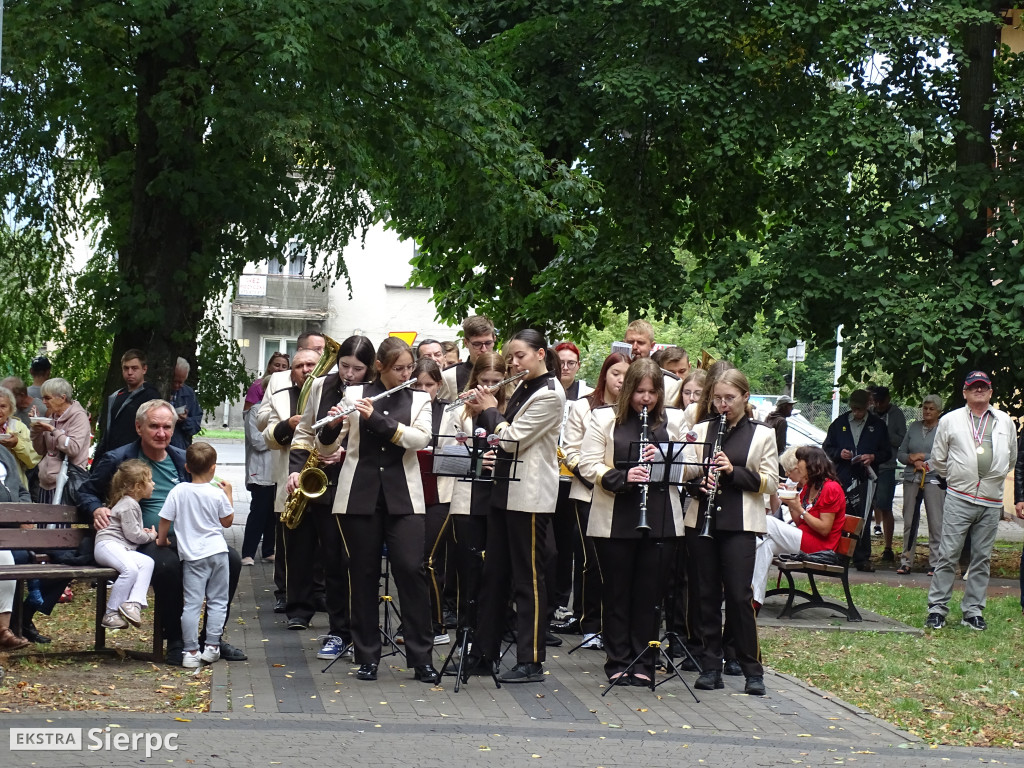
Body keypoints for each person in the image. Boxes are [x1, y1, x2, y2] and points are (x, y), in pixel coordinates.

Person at [79, 399, 245, 665]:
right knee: (167, 565)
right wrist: (96, 508)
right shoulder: (119, 459)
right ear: (138, 427)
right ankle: (178, 641)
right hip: (141, 539)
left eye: (167, 427)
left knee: (232, 560)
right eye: (154, 426)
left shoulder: (182, 458)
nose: (161, 433)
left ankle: (211, 639)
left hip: (190, 536)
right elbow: (85, 490)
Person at [316, 337, 440, 684]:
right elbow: (327, 445)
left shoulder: (418, 399)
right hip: (359, 495)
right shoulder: (355, 395)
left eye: (409, 368)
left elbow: (420, 440)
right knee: (363, 573)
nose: (406, 374)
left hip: (405, 498)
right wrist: (330, 426)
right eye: (399, 368)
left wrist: (380, 421)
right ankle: (366, 655)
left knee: (410, 569)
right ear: (381, 368)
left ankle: (421, 657)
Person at [465, 329, 565, 684]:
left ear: (540, 354)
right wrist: (480, 410)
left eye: (520, 356)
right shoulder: (523, 386)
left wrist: (491, 410)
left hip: (530, 496)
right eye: (510, 357)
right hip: (504, 491)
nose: (513, 363)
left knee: (529, 580)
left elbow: (511, 439)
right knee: (494, 577)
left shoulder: (551, 394)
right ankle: (484, 653)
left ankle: (531, 660)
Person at [578, 358, 686, 686]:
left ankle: (645, 661)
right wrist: (622, 476)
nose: (646, 399)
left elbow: (692, 466)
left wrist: (666, 455)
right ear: (628, 390)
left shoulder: (675, 420)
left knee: (650, 595)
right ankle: (618, 660)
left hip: (662, 517)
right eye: (640, 391)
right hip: (615, 516)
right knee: (617, 593)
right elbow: (587, 464)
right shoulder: (603, 418)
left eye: (653, 392)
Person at [681, 369, 778, 696]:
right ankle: (710, 665)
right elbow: (685, 474)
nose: (722, 405)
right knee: (705, 595)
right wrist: (699, 482)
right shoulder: (700, 430)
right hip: (701, 521)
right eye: (718, 398)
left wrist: (732, 472)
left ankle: (752, 668)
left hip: (741, 524)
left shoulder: (762, 434)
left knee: (738, 595)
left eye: (729, 399)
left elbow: (770, 482)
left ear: (745, 397)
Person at [285, 335, 375, 657]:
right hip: (323, 482)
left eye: (358, 368)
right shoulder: (322, 385)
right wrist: (296, 469)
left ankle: (362, 631)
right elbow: (305, 430)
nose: (349, 374)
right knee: (332, 561)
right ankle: (338, 632)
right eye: (345, 365)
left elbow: (377, 437)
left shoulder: (374, 392)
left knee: (357, 562)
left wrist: (346, 451)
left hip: (359, 484)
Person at [925, 371, 1017, 631]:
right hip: (959, 496)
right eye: (973, 387)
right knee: (948, 554)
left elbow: (1011, 458)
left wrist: (993, 477)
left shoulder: (1004, 421)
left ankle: (973, 611)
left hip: (991, 499)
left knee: (981, 557)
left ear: (990, 392)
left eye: (983, 387)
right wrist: (957, 478)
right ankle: (937, 609)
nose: (979, 390)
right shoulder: (951, 420)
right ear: (964, 392)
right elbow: (939, 458)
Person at [559, 352, 630, 649]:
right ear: (605, 374)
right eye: (616, 373)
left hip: (624, 494)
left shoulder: (635, 409)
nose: (621, 380)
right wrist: (592, 474)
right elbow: (569, 449)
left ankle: (615, 625)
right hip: (588, 490)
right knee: (591, 560)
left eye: (627, 375)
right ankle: (590, 623)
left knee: (618, 562)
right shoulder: (583, 406)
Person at [443, 352, 509, 644]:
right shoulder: (459, 410)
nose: (489, 388)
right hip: (467, 497)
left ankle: (492, 634)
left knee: (495, 570)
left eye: (497, 382)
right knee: (468, 568)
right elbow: (446, 455)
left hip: (502, 497)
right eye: (484, 382)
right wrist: (479, 461)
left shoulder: (510, 407)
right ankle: (465, 633)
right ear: (474, 380)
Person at [157, 442, 235, 667]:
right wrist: (228, 494)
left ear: (186, 468)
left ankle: (190, 652)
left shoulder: (178, 491)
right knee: (218, 601)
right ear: (213, 468)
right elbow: (227, 522)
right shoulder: (216, 494)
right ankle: (211, 647)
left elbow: (165, 519)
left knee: (191, 604)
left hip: (193, 557)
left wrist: (162, 540)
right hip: (218, 553)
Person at [256, 347, 320, 613]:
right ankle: (292, 596)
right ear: (292, 372)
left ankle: (320, 593)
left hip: (326, 473)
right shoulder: (281, 391)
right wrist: (287, 425)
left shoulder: (333, 390)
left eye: (311, 365)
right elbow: (267, 433)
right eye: (299, 366)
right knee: (291, 540)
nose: (305, 370)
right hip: (290, 473)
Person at [752, 446, 846, 606]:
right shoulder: (809, 488)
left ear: (812, 466)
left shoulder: (831, 488)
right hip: (805, 539)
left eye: (801, 467)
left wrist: (800, 509)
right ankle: (754, 600)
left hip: (822, 547)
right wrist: (791, 502)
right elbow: (799, 522)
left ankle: (741, 555)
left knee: (767, 521)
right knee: (765, 545)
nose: (798, 473)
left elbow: (824, 529)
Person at [548, 340, 592, 635]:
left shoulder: (586, 395)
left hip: (572, 476)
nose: (565, 368)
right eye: (560, 363)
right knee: (549, 542)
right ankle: (550, 600)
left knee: (568, 543)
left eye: (570, 363)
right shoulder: (547, 389)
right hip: (549, 474)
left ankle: (564, 600)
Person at [822, 389, 890, 572]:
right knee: (841, 516)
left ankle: (862, 558)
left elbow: (887, 452)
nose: (856, 412)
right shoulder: (840, 423)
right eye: (853, 408)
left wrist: (873, 457)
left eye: (860, 409)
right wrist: (839, 453)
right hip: (843, 475)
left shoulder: (878, 425)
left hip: (866, 477)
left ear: (868, 406)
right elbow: (827, 447)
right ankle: (839, 556)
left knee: (863, 517)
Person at [93, 459, 158, 629]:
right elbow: (134, 535)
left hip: (119, 547)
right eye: (150, 481)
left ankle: (134, 603)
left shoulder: (130, 503)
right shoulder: (130, 504)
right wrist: (150, 536)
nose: (153, 484)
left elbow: (131, 532)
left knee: (147, 562)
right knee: (130, 570)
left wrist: (141, 532)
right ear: (138, 486)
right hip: (107, 545)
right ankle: (111, 613)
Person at [897, 395, 945, 575]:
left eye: (931, 409)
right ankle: (906, 560)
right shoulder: (914, 427)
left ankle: (936, 563)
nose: (927, 411)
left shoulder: (943, 429)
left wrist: (922, 458)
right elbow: (901, 453)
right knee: (909, 520)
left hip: (934, 478)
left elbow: (944, 454)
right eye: (925, 408)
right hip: (912, 478)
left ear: (939, 411)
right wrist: (911, 459)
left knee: (936, 522)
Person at [30, 378, 92, 503]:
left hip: (65, 484)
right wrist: (36, 429)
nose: (44, 402)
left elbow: (73, 448)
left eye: (47, 398)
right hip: (45, 483)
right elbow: (40, 450)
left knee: (58, 523)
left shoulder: (79, 417)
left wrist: (53, 430)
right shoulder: (52, 416)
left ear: (62, 398)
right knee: (43, 522)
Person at [95, 350, 161, 462]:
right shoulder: (116, 396)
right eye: (126, 368)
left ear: (144, 369)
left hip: (136, 459)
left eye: (134, 368)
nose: (130, 372)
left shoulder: (151, 396)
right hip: (111, 456)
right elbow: (108, 431)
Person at [869, 386, 907, 562]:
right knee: (867, 506)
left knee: (885, 506)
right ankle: (863, 545)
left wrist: (886, 435)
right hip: (868, 466)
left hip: (887, 466)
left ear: (888, 399)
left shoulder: (897, 414)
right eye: (875, 401)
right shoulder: (870, 412)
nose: (878, 405)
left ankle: (888, 547)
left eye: (881, 401)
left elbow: (902, 439)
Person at [241, 403, 276, 566]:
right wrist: (279, 436)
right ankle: (248, 553)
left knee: (273, 514)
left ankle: (269, 550)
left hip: (277, 470)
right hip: (260, 471)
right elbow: (257, 441)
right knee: (258, 513)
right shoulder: (255, 411)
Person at [439, 315, 497, 402]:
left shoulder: (505, 371)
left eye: (488, 343)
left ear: (494, 339)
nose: (484, 349)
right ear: (466, 343)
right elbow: (442, 412)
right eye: (477, 344)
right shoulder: (450, 376)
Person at [623, 320, 682, 405]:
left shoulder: (670, 383)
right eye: (630, 342)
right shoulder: (614, 376)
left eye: (640, 342)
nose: (634, 347)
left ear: (652, 346)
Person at [0, 384, 40, 487]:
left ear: (11, 409)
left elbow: (33, 460)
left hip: (14, 487)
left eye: (3, 406)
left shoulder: (18, 427)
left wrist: (17, 443)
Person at [170, 358, 203, 450]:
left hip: (179, 447)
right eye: (174, 381)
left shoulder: (188, 393)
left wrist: (185, 420)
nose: (177, 385)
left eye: (180, 382)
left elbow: (196, 425)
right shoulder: (159, 390)